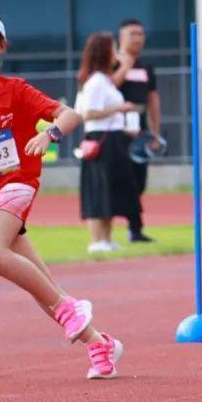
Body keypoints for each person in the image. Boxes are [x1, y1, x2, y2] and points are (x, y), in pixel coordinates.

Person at [0, 7, 123, 379]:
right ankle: (99, 343)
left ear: (1, 46)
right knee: (45, 289)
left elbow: (70, 115)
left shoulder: (15, 91)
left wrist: (49, 134)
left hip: (16, 185)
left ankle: (70, 310)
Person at [76, 31, 142, 254]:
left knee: (111, 189)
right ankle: (97, 239)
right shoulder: (95, 82)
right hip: (100, 141)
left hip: (113, 137)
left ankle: (107, 237)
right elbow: (88, 113)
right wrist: (119, 108)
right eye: (112, 48)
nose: (116, 52)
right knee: (98, 189)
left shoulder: (104, 80)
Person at [110, 18, 159, 243]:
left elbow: (153, 100)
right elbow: (108, 88)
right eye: (133, 34)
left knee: (139, 180)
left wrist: (155, 133)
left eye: (141, 34)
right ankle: (131, 229)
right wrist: (125, 65)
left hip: (139, 129)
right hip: (116, 129)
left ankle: (134, 227)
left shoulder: (147, 67)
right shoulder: (111, 63)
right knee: (122, 180)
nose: (138, 39)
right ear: (121, 37)